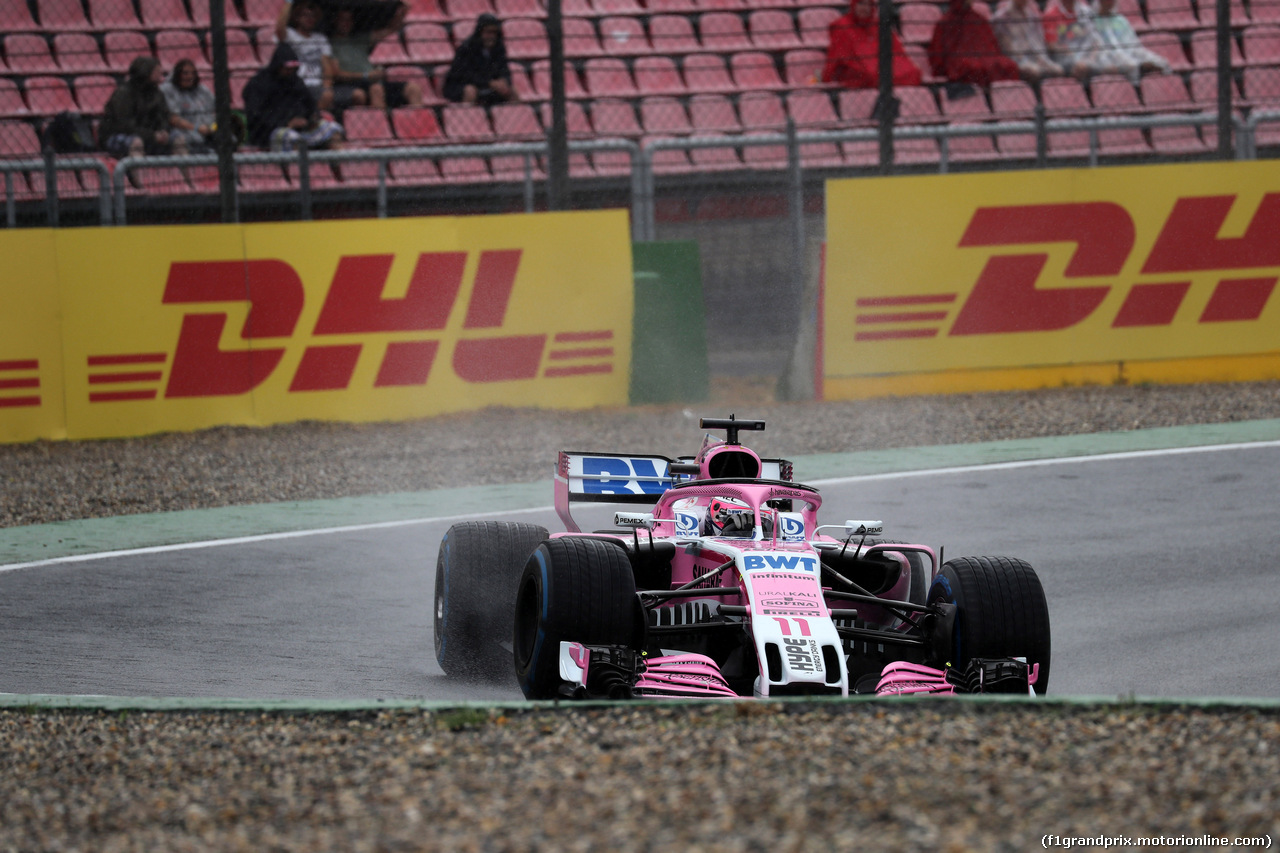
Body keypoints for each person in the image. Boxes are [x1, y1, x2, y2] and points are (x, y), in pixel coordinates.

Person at [243, 43, 345, 151]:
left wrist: (311, 120)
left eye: (293, 68)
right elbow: (256, 116)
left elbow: (310, 106)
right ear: (278, 65)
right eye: (287, 68)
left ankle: (341, 166)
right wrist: (287, 123)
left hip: (301, 129)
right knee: (292, 138)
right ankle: (299, 168)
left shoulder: (296, 82)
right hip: (271, 133)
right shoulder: (259, 83)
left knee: (333, 130)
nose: (290, 72)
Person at [328, 5, 424, 110]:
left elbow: (390, 30)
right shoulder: (330, 44)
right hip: (353, 84)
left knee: (413, 88)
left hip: (375, 82)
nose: (347, 24)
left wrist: (401, 13)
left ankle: (418, 121)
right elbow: (337, 74)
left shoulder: (359, 39)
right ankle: (381, 124)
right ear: (335, 21)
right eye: (343, 20)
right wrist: (366, 75)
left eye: (349, 20)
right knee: (376, 89)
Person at [820, 0, 923, 89]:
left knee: (913, 73)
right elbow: (842, 57)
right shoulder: (842, 26)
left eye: (869, 4)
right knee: (870, 76)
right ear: (854, 5)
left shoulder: (878, 25)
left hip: (877, 65)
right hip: (854, 68)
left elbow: (896, 51)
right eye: (861, 3)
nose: (865, 8)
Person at [99, 55, 187, 159]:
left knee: (178, 139)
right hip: (118, 135)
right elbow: (124, 126)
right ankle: (140, 175)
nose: (161, 76)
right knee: (136, 142)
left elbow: (165, 116)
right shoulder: (124, 94)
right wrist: (152, 136)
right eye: (157, 72)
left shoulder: (157, 93)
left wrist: (163, 131)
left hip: (152, 135)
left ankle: (187, 175)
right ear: (145, 73)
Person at [928, 0, 1022, 87]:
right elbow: (940, 55)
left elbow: (991, 46)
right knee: (973, 67)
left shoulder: (979, 19)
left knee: (1009, 65)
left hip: (983, 56)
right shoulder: (946, 22)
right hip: (961, 59)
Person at [442, 12, 518, 106]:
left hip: (489, 86)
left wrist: (504, 81)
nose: (492, 36)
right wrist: (490, 83)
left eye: (494, 33)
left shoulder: (499, 48)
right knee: (470, 91)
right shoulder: (466, 48)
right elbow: (465, 75)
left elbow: (504, 69)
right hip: (462, 86)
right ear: (480, 32)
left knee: (513, 91)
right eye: (488, 32)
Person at [275, 0, 337, 111]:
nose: (309, 19)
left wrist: (327, 87)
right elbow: (279, 30)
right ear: (297, 17)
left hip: (317, 83)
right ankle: (313, 118)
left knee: (328, 96)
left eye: (313, 16)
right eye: (305, 15)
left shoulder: (320, 38)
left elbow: (327, 66)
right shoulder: (290, 34)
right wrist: (289, 2)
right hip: (298, 82)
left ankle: (314, 118)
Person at [1042, 0, 1126, 79]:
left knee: (1112, 67)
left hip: (1089, 57)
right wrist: (1072, 56)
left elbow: (1096, 41)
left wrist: (1090, 59)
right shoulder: (1051, 15)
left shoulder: (1086, 12)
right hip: (1065, 59)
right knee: (1079, 69)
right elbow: (1052, 45)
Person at [1093, 0, 1171, 82]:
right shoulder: (1093, 21)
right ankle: (1140, 70)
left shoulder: (1120, 21)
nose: (1109, 3)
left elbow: (1134, 45)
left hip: (1128, 55)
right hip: (1105, 58)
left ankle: (1143, 68)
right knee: (1128, 64)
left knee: (1158, 61)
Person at [992, 0, 1066, 83]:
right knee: (1034, 71)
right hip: (1016, 60)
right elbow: (1007, 48)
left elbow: (1038, 43)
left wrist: (1043, 61)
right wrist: (1025, 62)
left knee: (1057, 70)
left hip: (1036, 58)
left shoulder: (1032, 15)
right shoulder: (1001, 18)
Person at [160, 58, 215, 153]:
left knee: (230, 139)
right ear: (178, 75)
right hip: (184, 130)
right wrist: (197, 128)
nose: (190, 77)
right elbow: (173, 119)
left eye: (193, 73)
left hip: (209, 129)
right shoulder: (168, 90)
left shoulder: (202, 90)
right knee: (195, 139)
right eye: (185, 73)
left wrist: (212, 127)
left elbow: (215, 112)